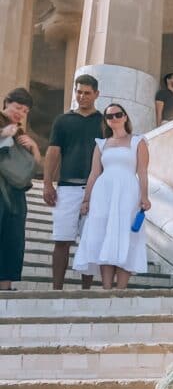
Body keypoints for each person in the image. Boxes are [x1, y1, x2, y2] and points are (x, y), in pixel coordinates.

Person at [74, 103, 150, 290]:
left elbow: (142, 171)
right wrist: (86, 199)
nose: (114, 118)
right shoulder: (101, 144)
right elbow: (94, 173)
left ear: (125, 117)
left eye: (118, 114)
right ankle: (106, 289)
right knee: (103, 235)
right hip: (103, 193)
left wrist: (145, 196)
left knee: (125, 235)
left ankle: (121, 290)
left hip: (128, 193)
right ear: (106, 121)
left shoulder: (138, 141)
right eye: (110, 116)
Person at [43, 73, 103, 290]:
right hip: (66, 188)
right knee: (61, 241)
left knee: (90, 242)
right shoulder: (63, 120)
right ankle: (56, 290)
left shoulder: (104, 122)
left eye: (87, 93)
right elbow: (53, 152)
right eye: (79, 92)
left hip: (95, 191)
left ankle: (86, 291)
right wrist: (47, 183)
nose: (82, 96)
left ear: (96, 94)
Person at [0, 88, 41, 291]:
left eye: (25, 111)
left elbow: (34, 165)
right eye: (18, 107)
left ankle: (5, 287)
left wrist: (34, 147)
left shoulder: (20, 132)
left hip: (15, 193)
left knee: (12, 238)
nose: (20, 113)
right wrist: (2, 134)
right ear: (6, 103)